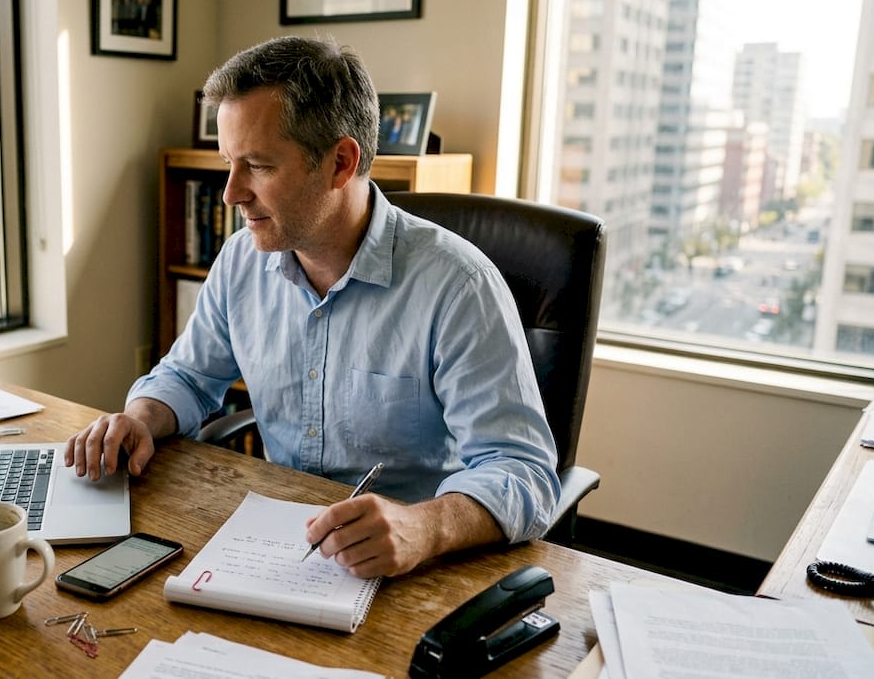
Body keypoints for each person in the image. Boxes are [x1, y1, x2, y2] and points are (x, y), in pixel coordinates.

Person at [65, 36, 560, 579]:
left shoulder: (458, 286)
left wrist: (425, 526)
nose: (230, 194)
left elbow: (523, 470)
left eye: (256, 166)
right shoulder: (240, 262)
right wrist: (140, 418)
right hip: (280, 549)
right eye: (229, 163)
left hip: (416, 567)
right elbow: (187, 374)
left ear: (341, 163)